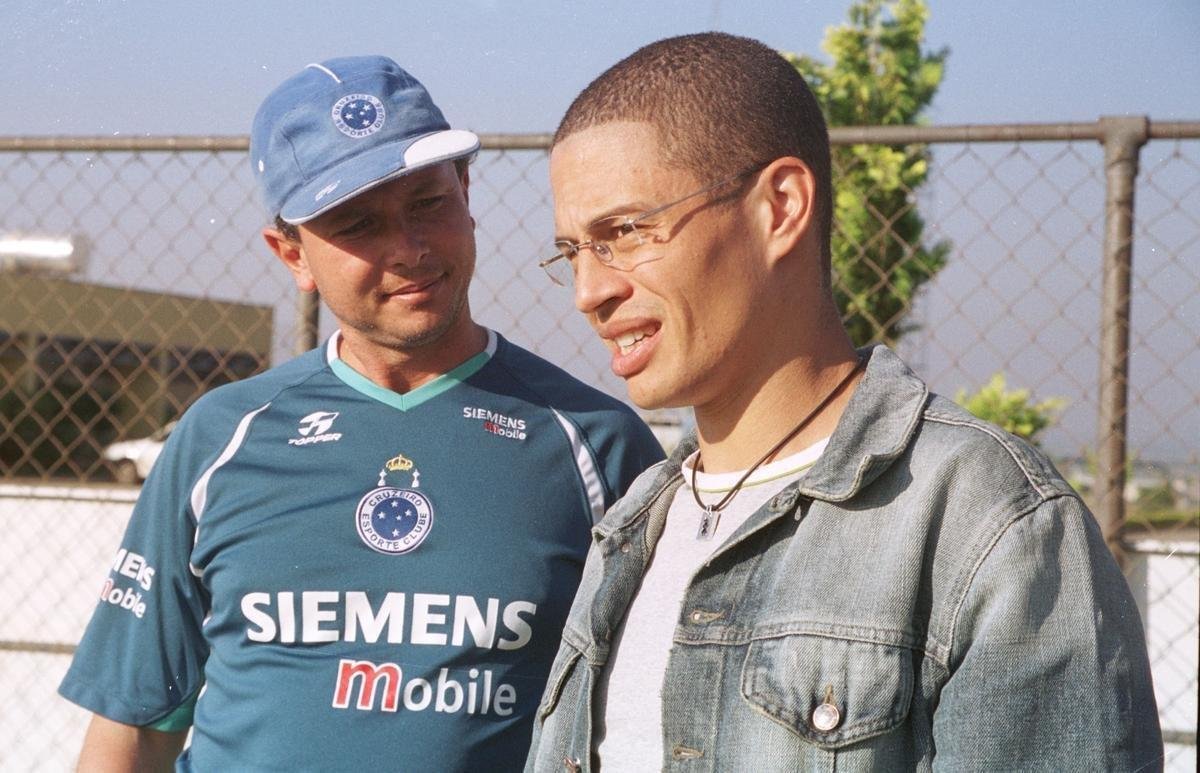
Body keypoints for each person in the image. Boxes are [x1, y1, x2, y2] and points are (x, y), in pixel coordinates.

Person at [525, 32, 1163, 772]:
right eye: (572, 251)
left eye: (626, 232)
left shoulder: (985, 524)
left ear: (780, 207)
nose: (589, 291)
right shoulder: (633, 522)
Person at [59, 55, 664, 772]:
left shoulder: (595, 442)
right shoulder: (221, 438)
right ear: (292, 255)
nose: (408, 248)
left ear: (467, 193)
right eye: (358, 223)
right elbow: (133, 729)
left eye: (428, 203)